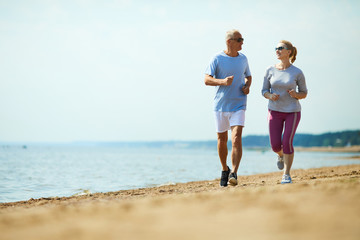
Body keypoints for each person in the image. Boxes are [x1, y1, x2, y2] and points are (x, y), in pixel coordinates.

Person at [204, 29, 252, 187]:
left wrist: (247, 86)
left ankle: (234, 173)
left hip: (239, 104)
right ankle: (225, 169)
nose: (242, 42)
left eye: (242, 39)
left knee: (237, 138)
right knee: (222, 140)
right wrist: (223, 82)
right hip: (220, 106)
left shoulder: (243, 59)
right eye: (239, 39)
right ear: (229, 41)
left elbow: (249, 76)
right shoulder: (217, 58)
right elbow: (206, 80)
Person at [261, 40, 308, 184]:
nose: (277, 50)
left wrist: (296, 94)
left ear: (288, 51)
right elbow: (264, 91)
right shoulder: (270, 70)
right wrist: (270, 96)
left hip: (292, 112)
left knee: (287, 141)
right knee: (275, 145)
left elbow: (304, 93)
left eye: (280, 48)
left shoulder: (297, 72)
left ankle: (286, 174)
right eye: (275, 48)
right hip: (274, 110)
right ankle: (280, 155)